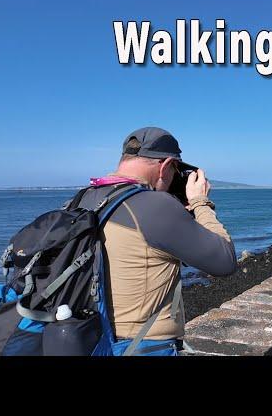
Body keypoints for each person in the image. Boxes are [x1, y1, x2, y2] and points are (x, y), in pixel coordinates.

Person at [76, 127, 237, 355]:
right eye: (175, 170)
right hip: (141, 346)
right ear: (165, 165)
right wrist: (201, 202)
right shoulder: (156, 205)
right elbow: (224, 260)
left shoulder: (83, 198)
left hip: (89, 339)